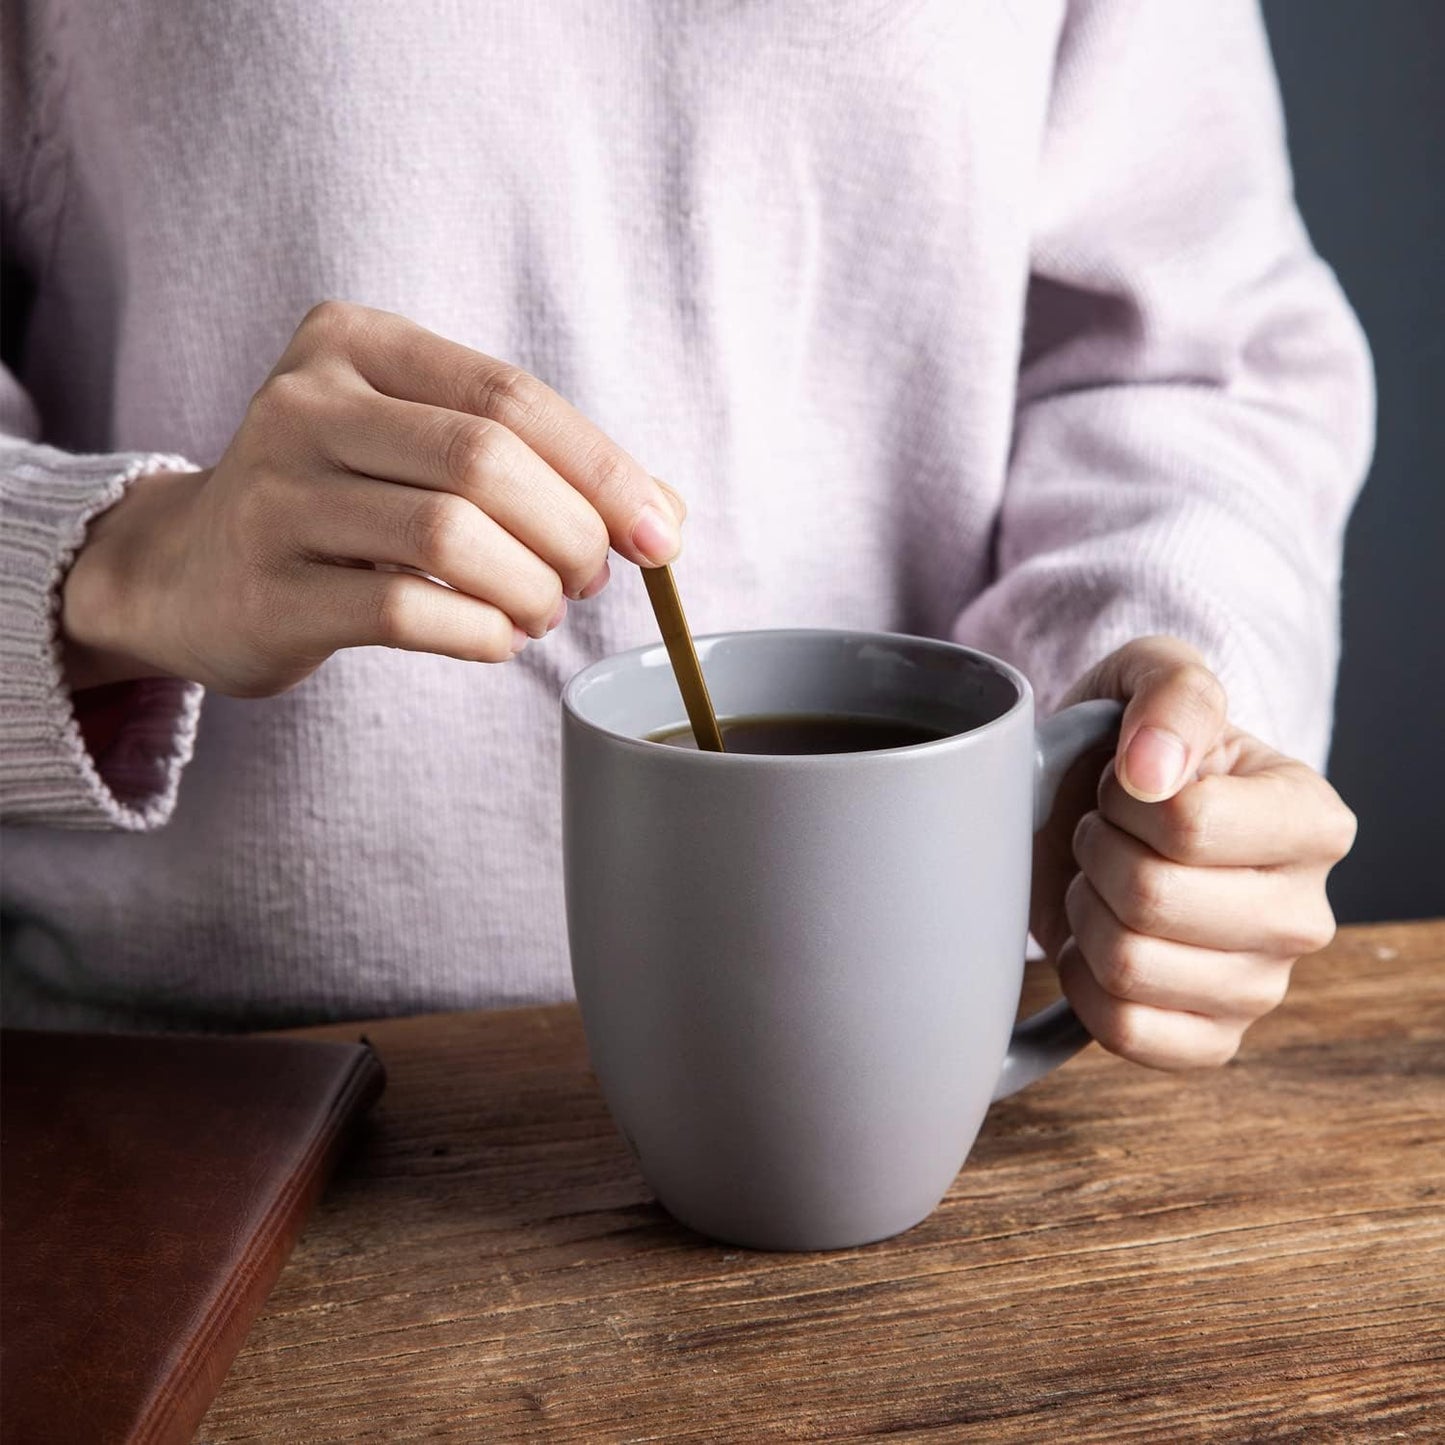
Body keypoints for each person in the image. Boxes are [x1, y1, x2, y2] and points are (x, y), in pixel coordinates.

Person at [1, 0, 1364, 1067]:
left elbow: (1186, 360)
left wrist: (1152, 727)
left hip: (916, 1067)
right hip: (179, 1105)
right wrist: (120, 557)